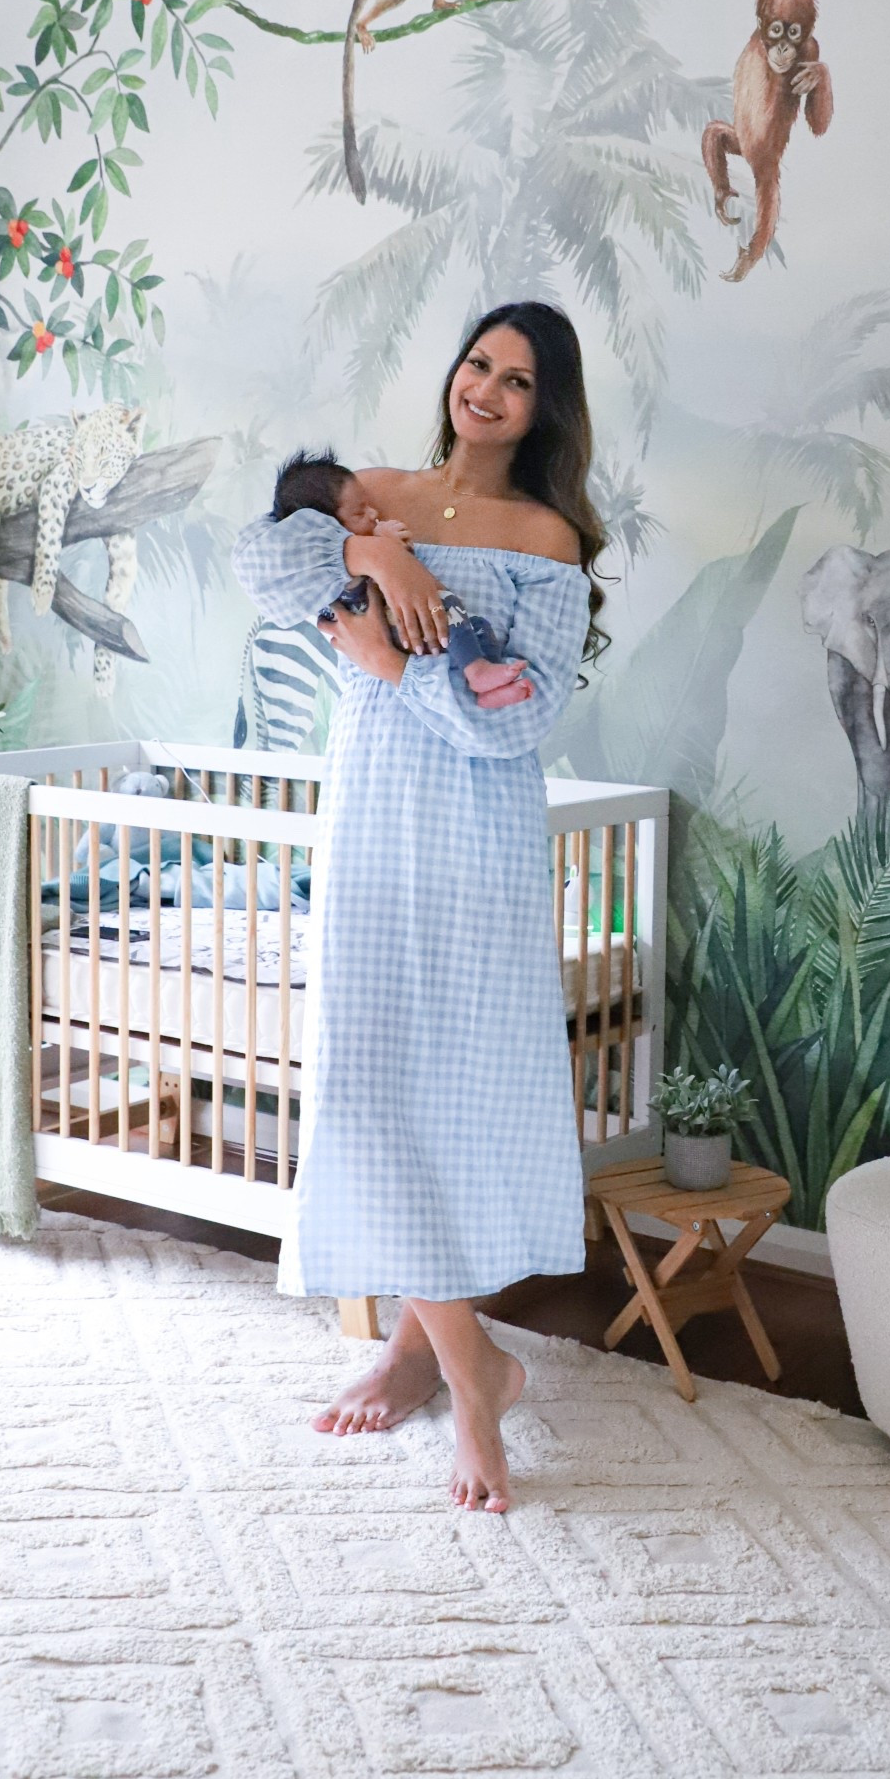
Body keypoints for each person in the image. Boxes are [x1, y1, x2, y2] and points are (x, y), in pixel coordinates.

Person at [231, 300, 607, 1514]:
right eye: (478, 362)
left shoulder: (544, 534)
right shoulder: (372, 495)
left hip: (473, 840)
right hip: (370, 826)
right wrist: (372, 554)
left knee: (437, 1088)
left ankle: (435, 1356)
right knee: (370, 1083)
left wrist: (395, 667)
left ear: (546, 407)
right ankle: (464, 1360)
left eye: (518, 378)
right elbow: (260, 562)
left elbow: (520, 719)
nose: (487, 388)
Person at [271, 446, 532, 706]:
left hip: (414, 626)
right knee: (450, 610)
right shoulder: (332, 571)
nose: (374, 514)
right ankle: (476, 672)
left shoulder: (368, 535)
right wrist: (384, 545)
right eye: (360, 513)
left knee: (479, 626)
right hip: (394, 629)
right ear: (330, 528)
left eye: (369, 506)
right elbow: (355, 587)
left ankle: (486, 682)